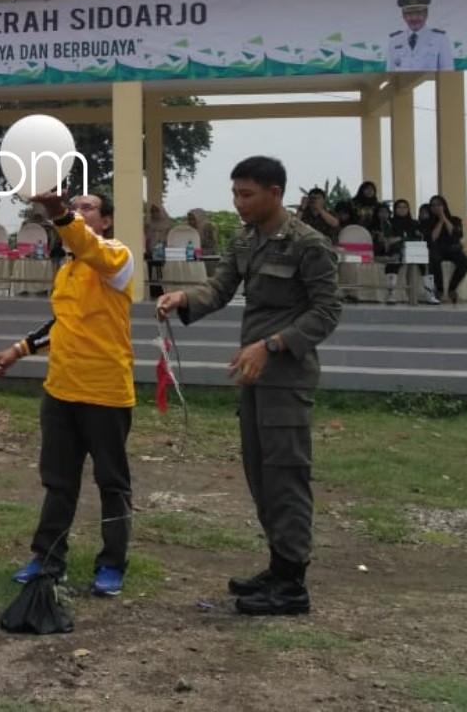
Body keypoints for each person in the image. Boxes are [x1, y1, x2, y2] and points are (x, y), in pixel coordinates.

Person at [156, 156, 341, 616]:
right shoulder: (246, 239)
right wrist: (184, 298)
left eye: (247, 194)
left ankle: (293, 584)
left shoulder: (307, 244)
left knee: (286, 476)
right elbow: (219, 289)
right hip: (254, 374)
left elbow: (326, 311)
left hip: (285, 376)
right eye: (235, 193)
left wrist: (273, 345)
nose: (237, 203)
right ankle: (279, 568)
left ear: (274, 193)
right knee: (260, 474)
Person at [0, 191, 136, 598]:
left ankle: (112, 565)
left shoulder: (117, 258)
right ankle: (48, 559)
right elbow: (60, 324)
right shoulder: (67, 269)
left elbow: (87, 245)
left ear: (106, 221)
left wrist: (57, 210)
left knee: (112, 483)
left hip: (105, 392)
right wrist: (17, 351)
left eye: (89, 208)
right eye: (75, 206)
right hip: (61, 390)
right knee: (59, 481)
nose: (80, 213)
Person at [421, 194, 467, 304]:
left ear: (444, 206)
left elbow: (455, 234)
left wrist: (444, 217)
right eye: (433, 205)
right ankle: (440, 289)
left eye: (439, 205)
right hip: (436, 248)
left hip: (452, 248)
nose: (436, 207)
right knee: (434, 259)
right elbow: (433, 238)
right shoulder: (428, 222)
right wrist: (440, 221)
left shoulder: (455, 220)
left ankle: (452, 288)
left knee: (464, 262)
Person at [387, 0, 452, 71]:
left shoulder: (440, 38)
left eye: (418, 13)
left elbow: (447, 71)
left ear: (426, 15)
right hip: (403, 84)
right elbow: (390, 71)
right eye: (409, 14)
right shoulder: (394, 40)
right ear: (403, 17)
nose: (414, 18)